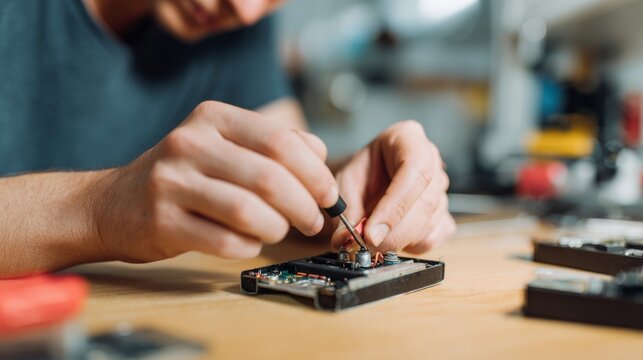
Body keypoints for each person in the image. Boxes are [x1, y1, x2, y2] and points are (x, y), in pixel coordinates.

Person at [0, 0, 456, 277]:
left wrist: (361, 182)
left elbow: (291, 168)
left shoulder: (237, 26)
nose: (247, 11)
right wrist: (99, 210)